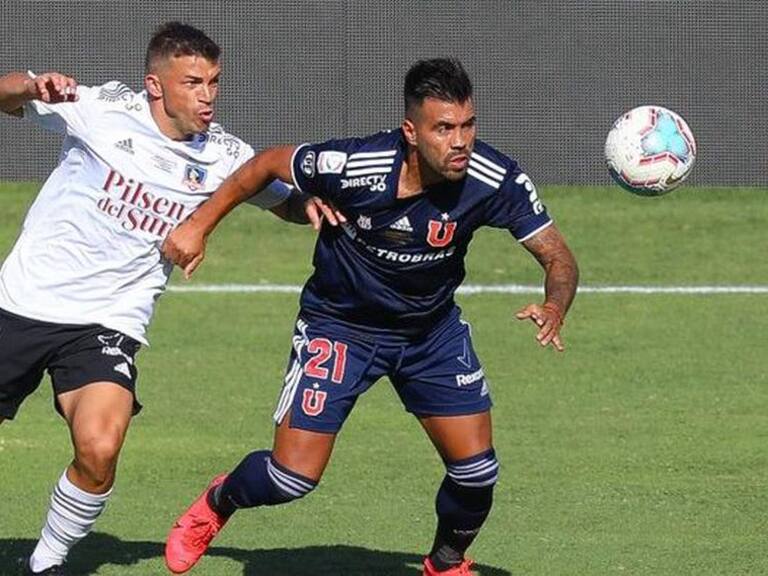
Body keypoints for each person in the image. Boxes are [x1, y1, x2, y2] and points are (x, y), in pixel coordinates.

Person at [162, 58, 579, 575]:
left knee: (476, 473)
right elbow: (265, 165)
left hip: (429, 334)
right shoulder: (355, 165)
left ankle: (446, 561)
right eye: (444, 128)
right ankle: (219, 502)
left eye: (468, 125)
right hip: (341, 327)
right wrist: (199, 225)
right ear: (411, 131)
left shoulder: (494, 178)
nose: (460, 142)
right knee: (292, 478)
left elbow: (558, 257)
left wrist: (555, 304)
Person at [0, 22, 338, 575]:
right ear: (154, 86)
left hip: (109, 322)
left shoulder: (226, 153)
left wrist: (321, 211)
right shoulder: (103, 108)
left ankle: (46, 562)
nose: (208, 96)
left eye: (214, 82)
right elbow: (5, 94)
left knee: (100, 449)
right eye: (193, 83)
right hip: (23, 302)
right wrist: (32, 88)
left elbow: (279, 200)